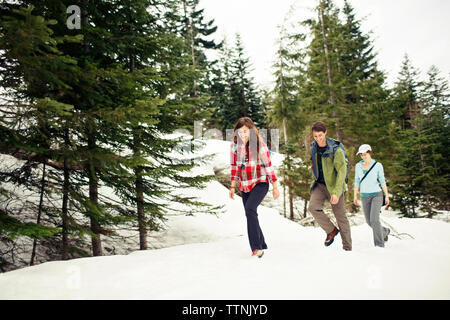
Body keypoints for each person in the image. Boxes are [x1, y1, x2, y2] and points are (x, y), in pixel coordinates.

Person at [229, 117, 280, 258]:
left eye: (245, 131)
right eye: (240, 132)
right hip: (245, 185)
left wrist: (275, 186)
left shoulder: (259, 145)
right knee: (250, 213)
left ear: (251, 131)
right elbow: (234, 168)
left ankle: (257, 248)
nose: (242, 134)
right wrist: (232, 186)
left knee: (250, 209)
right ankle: (262, 243)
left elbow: (268, 166)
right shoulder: (234, 147)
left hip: (260, 182)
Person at [308, 121, 352, 251]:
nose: (318, 138)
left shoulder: (336, 149)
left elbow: (342, 172)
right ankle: (331, 230)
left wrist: (336, 192)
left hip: (334, 186)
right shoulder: (313, 147)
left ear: (325, 133)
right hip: (320, 185)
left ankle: (347, 248)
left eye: (320, 135)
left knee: (341, 217)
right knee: (313, 207)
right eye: (315, 136)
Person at [353, 144, 391, 247]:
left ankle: (379, 245)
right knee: (369, 222)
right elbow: (356, 181)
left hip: (376, 195)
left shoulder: (378, 165)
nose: (363, 156)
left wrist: (386, 196)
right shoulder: (358, 166)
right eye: (361, 155)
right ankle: (384, 231)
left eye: (365, 154)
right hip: (364, 196)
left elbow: (382, 181)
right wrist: (355, 195)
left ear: (370, 153)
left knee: (374, 219)